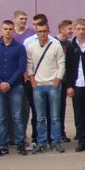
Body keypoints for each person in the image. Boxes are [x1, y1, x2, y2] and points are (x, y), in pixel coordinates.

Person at [0, 20, 27, 157]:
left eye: (10, 29)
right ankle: (2, 146)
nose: (8, 31)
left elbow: (21, 68)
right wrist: (0, 83)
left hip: (15, 87)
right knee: (1, 118)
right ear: (1, 30)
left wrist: (9, 83)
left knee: (17, 116)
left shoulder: (20, 47)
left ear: (13, 30)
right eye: (5, 28)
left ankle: (20, 144)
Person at [26, 21, 66, 153]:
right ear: (36, 32)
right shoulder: (31, 47)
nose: (42, 34)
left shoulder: (56, 45)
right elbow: (29, 64)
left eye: (45, 31)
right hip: (38, 86)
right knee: (40, 117)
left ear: (48, 31)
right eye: (39, 31)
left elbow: (61, 63)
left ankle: (55, 141)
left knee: (55, 116)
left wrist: (57, 80)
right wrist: (32, 81)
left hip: (53, 85)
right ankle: (41, 142)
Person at [64, 18, 85, 152]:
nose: (81, 31)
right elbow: (68, 67)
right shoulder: (71, 46)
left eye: (84, 29)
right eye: (78, 29)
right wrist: (69, 86)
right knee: (79, 114)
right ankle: (82, 140)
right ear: (74, 30)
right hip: (77, 84)